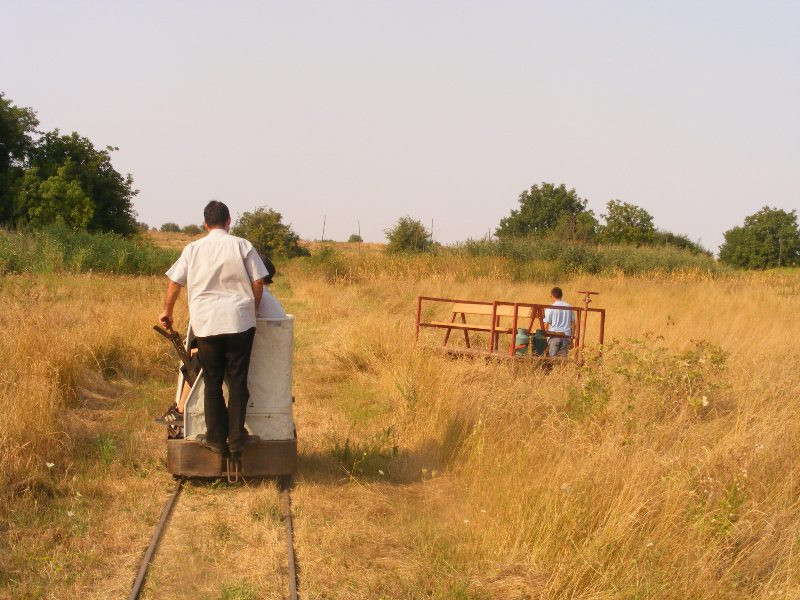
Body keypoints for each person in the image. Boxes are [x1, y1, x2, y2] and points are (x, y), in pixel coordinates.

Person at [160, 200, 268, 458]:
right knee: (238, 381)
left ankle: (216, 440)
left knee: (212, 381)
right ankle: (238, 439)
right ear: (229, 221)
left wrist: (168, 311)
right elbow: (258, 280)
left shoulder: (193, 249)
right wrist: (252, 307)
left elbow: (175, 283)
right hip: (240, 323)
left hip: (206, 324)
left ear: (205, 224)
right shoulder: (243, 245)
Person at [542, 287, 574, 357]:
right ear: (561, 295)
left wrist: (544, 337)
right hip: (566, 336)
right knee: (563, 360)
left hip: (554, 336)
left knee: (552, 358)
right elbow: (573, 323)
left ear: (552, 296)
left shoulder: (550, 308)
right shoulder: (569, 307)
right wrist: (572, 336)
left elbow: (546, 324)